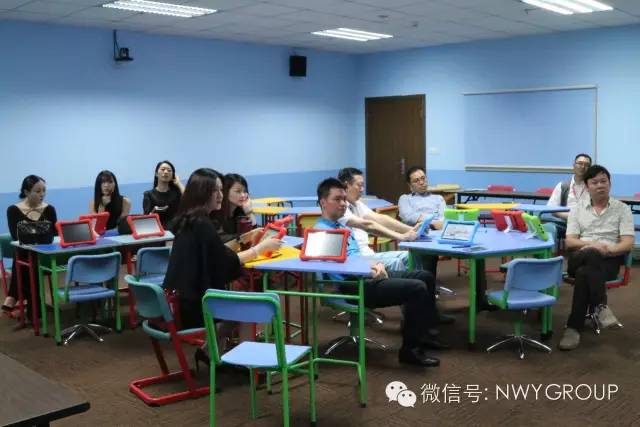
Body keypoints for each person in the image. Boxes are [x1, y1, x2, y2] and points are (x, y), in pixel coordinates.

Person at [314, 177, 449, 367]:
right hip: (353, 286)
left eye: (344, 199)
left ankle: (425, 335)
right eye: (337, 199)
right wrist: (368, 270)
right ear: (323, 202)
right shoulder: (322, 232)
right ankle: (410, 351)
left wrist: (374, 263)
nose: (343, 203)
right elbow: (338, 268)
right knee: (417, 288)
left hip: (364, 276)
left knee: (424, 276)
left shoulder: (341, 226)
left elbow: (355, 256)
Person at [163, 168, 282, 330]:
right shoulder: (203, 223)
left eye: (221, 190)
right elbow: (225, 261)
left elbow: (218, 251)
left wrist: (244, 239)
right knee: (254, 307)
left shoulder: (189, 219)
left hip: (181, 301)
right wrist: (261, 248)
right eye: (215, 190)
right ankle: (220, 345)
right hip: (197, 306)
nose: (220, 195)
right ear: (202, 193)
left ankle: (214, 344)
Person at [558, 165, 635, 351]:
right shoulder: (577, 210)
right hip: (579, 256)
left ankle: (573, 327)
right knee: (591, 254)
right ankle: (600, 306)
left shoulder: (623, 209)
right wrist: (593, 245)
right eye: (595, 182)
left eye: (604, 181)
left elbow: (627, 243)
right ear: (587, 186)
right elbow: (570, 242)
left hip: (608, 261)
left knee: (585, 273)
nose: (600, 185)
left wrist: (607, 250)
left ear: (610, 183)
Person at [336, 167, 419, 272]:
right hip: (358, 258)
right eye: (359, 185)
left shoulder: (356, 204)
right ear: (347, 185)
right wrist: (401, 236)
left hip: (369, 254)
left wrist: (411, 229)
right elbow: (368, 225)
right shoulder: (340, 208)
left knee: (410, 256)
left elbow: (379, 218)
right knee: (395, 262)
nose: (362, 189)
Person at [2, 175, 57, 319]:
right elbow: (17, 236)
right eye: (37, 191)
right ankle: (34, 308)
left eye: (44, 190)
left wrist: (28, 230)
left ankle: (13, 295)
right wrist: (41, 230)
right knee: (26, 254)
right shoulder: (13, 210)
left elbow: (54, 233)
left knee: (27, 256)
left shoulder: (49, 209)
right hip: (26, 252)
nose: (42, 194)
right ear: (26, 192)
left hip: (45, 252)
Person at [546, 154, 592, 235]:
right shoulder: (563, 186)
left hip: (587, 227)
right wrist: (572, 217)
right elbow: (551, 209)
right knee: (548, 228)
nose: (583, 167)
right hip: (565, 224)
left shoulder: (593, 187)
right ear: (574, 165)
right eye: (580, 163)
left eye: (586, 165)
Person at [211, 173, 257, 245]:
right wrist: (246, 237)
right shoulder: (215, 213)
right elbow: (223, 240)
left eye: (245, 191)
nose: (243, 195)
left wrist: (249, 213)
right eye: (238, 191)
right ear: (225, 191)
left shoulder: (240, 212)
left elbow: (254, 235)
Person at [143, 160, 185, 228]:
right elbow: (146, 218)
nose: (166, 172)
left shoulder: (177, 192)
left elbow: (189, 199)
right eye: (163, 169)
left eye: (169, 170)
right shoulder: (148, 194)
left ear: (173, 175)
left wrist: (179, 183)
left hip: (176, 229)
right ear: (156, 174)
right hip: (158, 229)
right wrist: (153, 212)